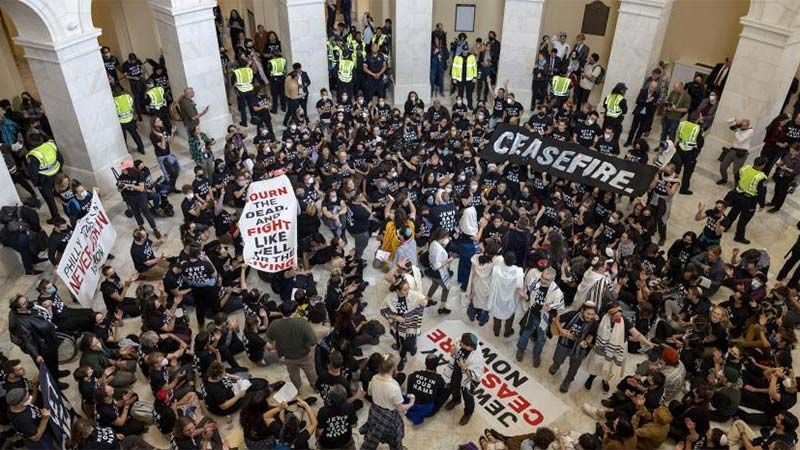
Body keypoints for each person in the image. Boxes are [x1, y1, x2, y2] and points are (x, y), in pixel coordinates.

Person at [8, 294, 67, 389]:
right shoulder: (21, 323)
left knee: (54, 361)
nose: (27, 302)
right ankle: (55, 383)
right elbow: (28, 341)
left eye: (26, 299)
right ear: (18, 308)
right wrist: (36, 355)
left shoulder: (27, 309)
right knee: (48, 367)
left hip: (49, 340)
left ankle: (56, 372)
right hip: (42, 347)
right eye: (24, 303)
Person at [361, 354, 414, 450]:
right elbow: (400, 408)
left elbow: (370, 393)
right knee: (394, 438)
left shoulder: (374, 378)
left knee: (373, 435)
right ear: (393, 368)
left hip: (375, 412)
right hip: (389, 417)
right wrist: (411, 403)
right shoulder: (394, 386)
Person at [516, 267, 564, 367]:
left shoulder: (557, 292)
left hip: (544, 318)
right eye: (542, 277)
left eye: (547, 280)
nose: (543, 280)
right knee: (525, 333)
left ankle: (536, 355)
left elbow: (559, 307)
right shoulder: (535, 283)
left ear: (552, 280)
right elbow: (529, 296)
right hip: (532, 313)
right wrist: (525, 296)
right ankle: (520, 349)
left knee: (541, 338)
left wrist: (550, 308)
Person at [266, 301, 318, 390]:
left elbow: (269, 340)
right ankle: (315, 386)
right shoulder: (302, 323)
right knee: (311, 372)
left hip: (287, 357)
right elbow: (313, 341)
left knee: (293, 374)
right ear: (295, 311)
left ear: (282, 312)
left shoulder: (274, 324)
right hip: (304, 355)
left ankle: (297, 388)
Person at [548, 301, 599, 393]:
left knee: (573, 368)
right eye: (588, 313)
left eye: (592, 314)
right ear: (582, 310)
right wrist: (561, 330)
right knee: (557, 359)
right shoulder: (572, 314)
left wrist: (587, 342)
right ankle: (555, 366)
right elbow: (557, 319)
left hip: (579, 350)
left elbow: (591, 335)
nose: (590, 316)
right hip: (564, 343)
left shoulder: (594, 323)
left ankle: (567, 382)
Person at [381, 279, 427, 371]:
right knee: (400, 344)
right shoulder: (390, 298)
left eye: (408, 288)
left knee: (412, 340)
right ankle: (403, 358)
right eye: (405, 290)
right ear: (398, 291)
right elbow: (383, 311)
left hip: (411, 325)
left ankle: (413, 347)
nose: (408, 291)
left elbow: (423, 299)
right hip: (398, 327)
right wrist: (393, 317)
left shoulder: (412, 294)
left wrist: (425, 301)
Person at [722, 156, 768, 244]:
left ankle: (725, 226)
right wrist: (762, 205)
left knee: (733, 212)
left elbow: (736, 176)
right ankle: (739, 237)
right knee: (744, 219)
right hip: (749, 201)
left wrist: (739, 186)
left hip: (738, 194)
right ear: (762, 166)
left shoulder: (745, 167)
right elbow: (762, 193)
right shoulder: (761, 177)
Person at [443, 332, 484, 425]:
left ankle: (468, 413)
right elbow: (457, 340)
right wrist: (453, 347)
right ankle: (456, 399)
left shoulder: (477, 358)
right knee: (454, 385)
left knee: (467, 396)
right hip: (457, 370)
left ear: (470, 347)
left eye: (462, 344)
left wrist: (464, 367)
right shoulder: (463, 341)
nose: (460, 344)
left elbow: (475, 376)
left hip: (468, 378)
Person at [25, 133, 63, 223]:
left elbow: (33, 173)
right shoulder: (50, 145)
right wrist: (58, 171)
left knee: (50, 200)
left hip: (44, 180)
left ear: (30, 143)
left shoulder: (33, 155)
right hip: (56, 174)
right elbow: (61, 159)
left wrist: (37, 183)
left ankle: (56, 218)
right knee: (59, 192)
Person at [489, 251, 525, 338]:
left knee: (497, 314)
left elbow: (492, 281)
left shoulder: (497, 269)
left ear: (504, 260)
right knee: (510, 316)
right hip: (511, 299)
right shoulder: (519, 271)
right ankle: (507, 332)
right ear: (514, 261)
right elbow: (520, 286)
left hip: (498, 297)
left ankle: (496, 331)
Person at [405, 354, 447, 425]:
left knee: (411, 378)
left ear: (425, 363)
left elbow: (410, 384)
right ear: (436, 365)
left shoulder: (415, 374)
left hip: (409, 405)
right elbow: (440, 393)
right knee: (446, 389)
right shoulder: (439, 380)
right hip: (427, 412)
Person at [674, 111, 704, 195]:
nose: (702, 118)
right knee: (687, 172)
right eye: (701, 116)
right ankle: (683, 189)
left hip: (679, 148)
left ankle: (671, 182)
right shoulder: (698, 128)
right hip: (690, 152)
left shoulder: (683, 123)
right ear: (697, 118)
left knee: (676, 167)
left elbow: (679, 135)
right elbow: (700, 142)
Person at [719, 118, 755, 186]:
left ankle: (736, 186)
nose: (740, 127)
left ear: (747, 125)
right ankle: (724, 179)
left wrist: (735, 130)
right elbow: (728, 121)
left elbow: (740, 140)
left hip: (741, 153)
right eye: (740, 125)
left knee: (736, 171)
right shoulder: (740, 126)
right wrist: (735, 119)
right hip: (733, 150)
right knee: (723, 166)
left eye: (742, 126)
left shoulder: (750, 131)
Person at [625, 80, 659, 147]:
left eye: (654, 88)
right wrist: (647, 101)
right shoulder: (643, 91)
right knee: (633, 128)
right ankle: (628, 141)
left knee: (641, 130)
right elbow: (638, 101)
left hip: (647, 115)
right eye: (651, 87)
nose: (652, 89)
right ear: (649, 85)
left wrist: (646, 102)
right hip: (638, 113)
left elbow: (653, 106)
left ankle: (636, 143)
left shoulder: (656, 94)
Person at [427, 227, 453, 315]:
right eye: (445, 238)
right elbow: (437, 265)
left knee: (434, 284)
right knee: (446, 288)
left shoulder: (433, 243)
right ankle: (442, 307)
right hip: (439, 273)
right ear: (441, 238)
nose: (446, 239)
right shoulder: (439, 250)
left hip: (431, 271)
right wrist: (448, 260)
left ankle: (428, 299)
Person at [112, 86, 145, 154]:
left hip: (121, 122)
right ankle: (141, 148)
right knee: (135, 135)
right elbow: (132, 106)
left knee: (123, 138)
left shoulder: (114, 101)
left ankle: (125, 151)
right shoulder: (127, 96)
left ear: (113, 92)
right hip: (130, 119)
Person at [768, 143, 800, 212]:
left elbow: (795, 171)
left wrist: (786, 168)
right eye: (790, 150)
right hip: (781, 174)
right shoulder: (788, 154)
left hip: (788, 178)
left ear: (798, 151)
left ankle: (777, 208)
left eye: (793, 151)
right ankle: (773, 202)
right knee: (776, 189)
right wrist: (780, 163)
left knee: (782, 193)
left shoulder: (798, 160)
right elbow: (784, 160)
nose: (791, 152)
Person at [232, 57, 255, 126]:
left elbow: (232, 82)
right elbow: (253, 79)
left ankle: (244, 122)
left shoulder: (236, 72)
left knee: (242, 107)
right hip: (250, 89)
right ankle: (254, 119)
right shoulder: (249, 70)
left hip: (240, 90)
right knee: (251, 105)